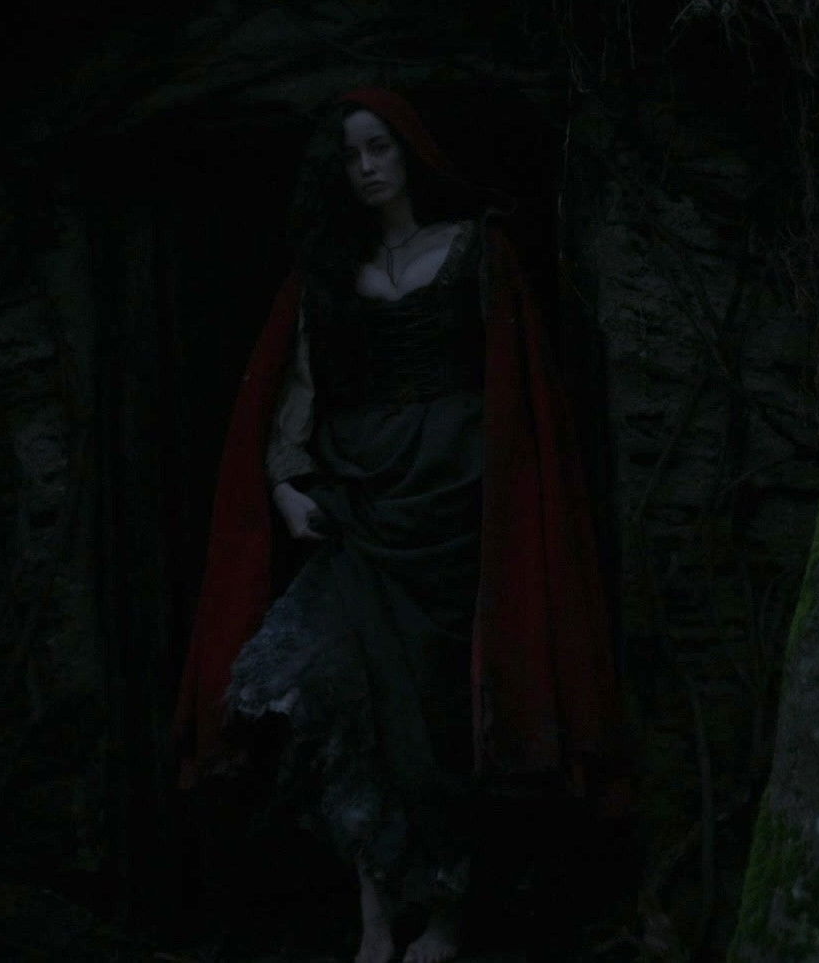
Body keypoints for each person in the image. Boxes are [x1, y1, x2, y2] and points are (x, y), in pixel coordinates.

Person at [172, 87, 624, 963]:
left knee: (442, 714)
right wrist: (284, 485)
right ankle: (374, 919)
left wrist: (504, 503)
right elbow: (293, 385)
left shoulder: (475, 250)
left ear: (410, 151)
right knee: (339, 692)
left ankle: (446, 915)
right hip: (361, 503)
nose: (367, 167)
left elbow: (515, 386)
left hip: (456, 508)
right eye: (350, 155)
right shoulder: (328, 271)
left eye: (379, 147)